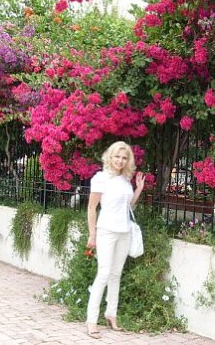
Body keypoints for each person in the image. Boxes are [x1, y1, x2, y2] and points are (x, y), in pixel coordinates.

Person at [85, 141, 146, 339]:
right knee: (103, 274)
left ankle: (111, 314)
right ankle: (91, 320)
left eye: (124, 157)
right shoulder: (101, 178)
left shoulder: (125, 180)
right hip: (106, 232)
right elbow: (91, 208)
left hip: (124, 232)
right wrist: (92, 234)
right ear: (110, 157)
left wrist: (138, 189)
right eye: (117, 156)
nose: (120, 160)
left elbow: (127, 206)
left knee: (115, 274)